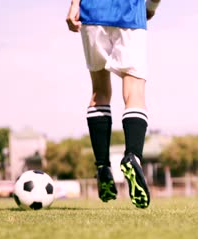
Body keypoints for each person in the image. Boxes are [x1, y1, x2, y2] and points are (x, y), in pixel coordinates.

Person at [65, 0, 161, 209]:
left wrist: (74, 5)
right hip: (129, 14)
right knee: (134, 89)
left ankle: (102, 166)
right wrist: (151, 8)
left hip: (92, 13)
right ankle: (133, 157)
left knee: (99, 90)